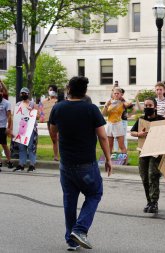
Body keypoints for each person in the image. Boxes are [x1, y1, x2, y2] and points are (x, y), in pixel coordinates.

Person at [49, 76, 112, 251]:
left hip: (66, 164)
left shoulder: (58, 108)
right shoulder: (91, 109)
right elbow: (103, 136)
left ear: (68, 89)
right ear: (85, 91)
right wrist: (108, 159)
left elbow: (53, 132)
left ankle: (71, 240)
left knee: (69, 200)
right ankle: (80, 230)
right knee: (94, 193)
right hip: (86, 163)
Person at [130, 97, 165, 213]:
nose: (147, 107)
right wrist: (139, 134)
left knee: (153, 176)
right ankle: (149, 201)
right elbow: (132, 132)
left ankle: (154, 202)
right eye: (145, 105)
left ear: (155, 107)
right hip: (143, 151)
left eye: (150, 105)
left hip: (156, 152)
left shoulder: (161, 119)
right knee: (144, 177)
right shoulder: (141, 119)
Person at [13, 88, 39, 172]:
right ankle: (21, 164)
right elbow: (15, 116)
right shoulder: (18, 104)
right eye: (21, 93)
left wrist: (32, 111)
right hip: (21, 129)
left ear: (28, 94)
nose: (23, 95)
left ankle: (32, 165)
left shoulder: (33, 104)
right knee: (21, 147)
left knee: (31, 147)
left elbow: (38, 116)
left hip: (30, 129)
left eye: (25, 93)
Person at [102, 87, 132, 155]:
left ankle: (125, 162)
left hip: (118, 124)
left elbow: (130, 103)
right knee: (109, 146)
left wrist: (124, 98)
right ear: (112, 94)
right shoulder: (109, 102)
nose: (116, 95)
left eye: (118, 93)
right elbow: (103, 114)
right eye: (115, 93)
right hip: (109, 124)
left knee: (121, 145)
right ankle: (109, 161)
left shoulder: (122, 103)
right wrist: (106, 105)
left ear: (121, 94)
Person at [43, 84, 59, 161]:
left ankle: (61, 155)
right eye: (49, 89)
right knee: (54, 139)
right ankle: (56, 156)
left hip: (59, 121)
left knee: (60, 138)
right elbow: (42, 112)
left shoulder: (58, 100)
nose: (51, 91)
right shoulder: (45, 101)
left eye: (52, 90)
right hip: (49, 122)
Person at [0, 87, 14, 171]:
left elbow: (9, 116)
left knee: (4, 145)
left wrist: (8, 128)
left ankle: (9, 161)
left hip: (2, 127)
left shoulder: (6, 103)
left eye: (1, 91)